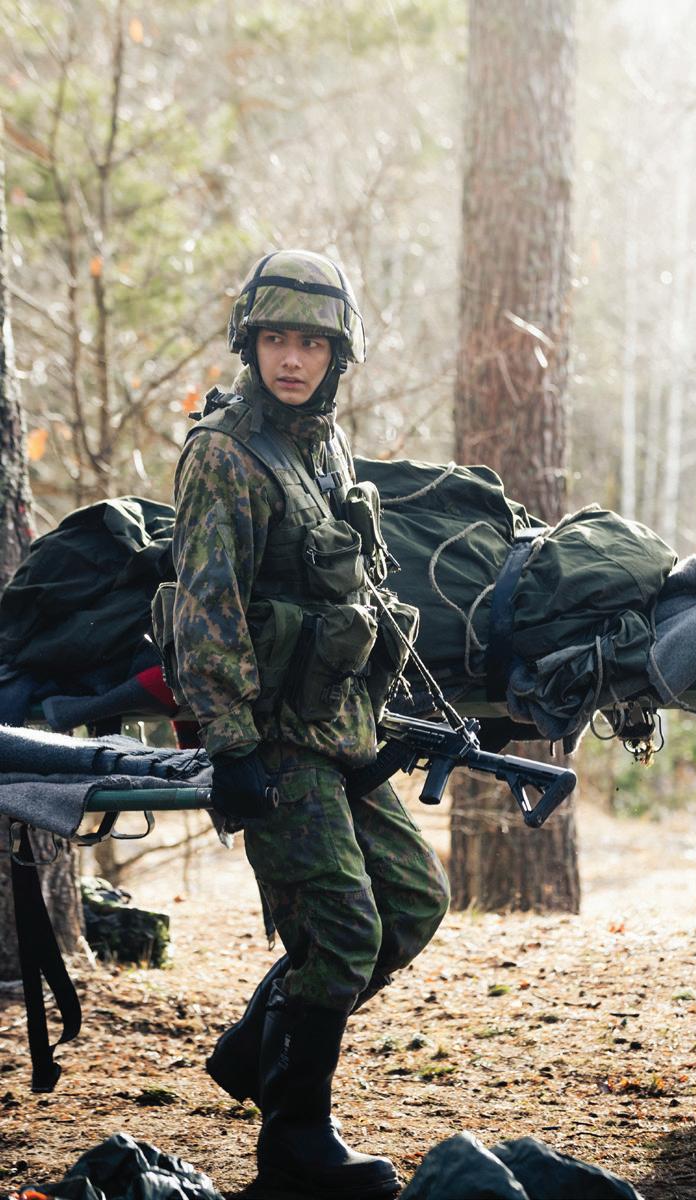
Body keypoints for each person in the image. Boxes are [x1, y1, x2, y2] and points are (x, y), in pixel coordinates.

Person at [170, 250, 450, 1199]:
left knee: (412, 903)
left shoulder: (324, 448)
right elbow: (207, 608)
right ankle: (294, 1140)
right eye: (277, 339)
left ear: (339, 354)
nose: (293, 359)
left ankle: (260, 1050)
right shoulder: (225, 456)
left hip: (340, 724)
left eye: (313, 343)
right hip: (272, 738)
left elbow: (351, 589)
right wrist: (230, 745)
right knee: (340, 930)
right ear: (250, 344)